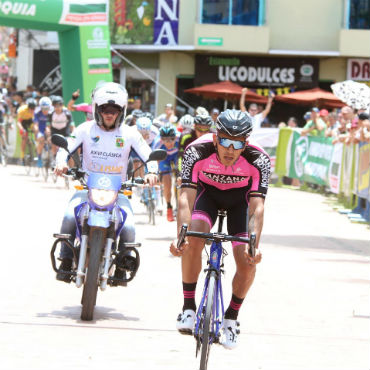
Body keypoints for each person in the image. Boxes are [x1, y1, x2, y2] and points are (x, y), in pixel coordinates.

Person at [170, 109, 270, 349]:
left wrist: (253, 245)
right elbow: (185, 197)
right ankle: (188, 308)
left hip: (241, 202)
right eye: (225, 141)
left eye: (237, 144)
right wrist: (181, 235)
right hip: (207, 196)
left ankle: (231, 319)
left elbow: (257, 207)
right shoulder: (196, 150)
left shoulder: (259, 159)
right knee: (193, 238)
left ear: (246, 143)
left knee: (247, 261)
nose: (230, 149)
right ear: (215, 138)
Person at [54, 82, 158, 283]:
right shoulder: (84, 129)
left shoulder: (130, 133)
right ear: (96, 109)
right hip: (86, 189)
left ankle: (122, 267)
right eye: (104, 109)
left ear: (122, 110)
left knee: (129, 228)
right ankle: (65, 260)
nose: (109, 114)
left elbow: (149, 155)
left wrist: (151, 171)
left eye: (115, 109)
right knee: (68, 216)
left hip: (118, 193)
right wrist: (61, 163)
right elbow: (65, 147)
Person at [152, 123, 180, 222]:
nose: (168, 143)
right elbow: (154, 160)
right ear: (161, 139)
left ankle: (180, 205)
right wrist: (156, 172)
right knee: (167, 183)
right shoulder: (157, 143)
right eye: (165, 140)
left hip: (176, 156)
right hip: (164, 158)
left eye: (171, 139)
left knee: (180, 178)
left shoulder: (179, 138)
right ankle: (169, 207)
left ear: (175, 137)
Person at [34, 96, 52, 168]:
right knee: (41, 140)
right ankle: (39, 158)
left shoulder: (52, 112)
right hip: (40, 130)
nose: (45, 110)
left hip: (48, 129)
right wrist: (37, 132)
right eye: (43, 108)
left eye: (47, 108)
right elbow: (35, 125)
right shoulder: (37, 112)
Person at [17, 97, 37, 163]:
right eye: (31, 108)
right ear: (28, 107)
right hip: (23, 122)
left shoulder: (35, 110)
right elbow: (18, 122)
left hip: (30, 121)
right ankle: (22, 156)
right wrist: (21, 129)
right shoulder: (22, 110)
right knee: (24, 137)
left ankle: (36, 143)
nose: (32, 110)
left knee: (36, 129)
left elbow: (35, 122)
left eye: (33, 108)